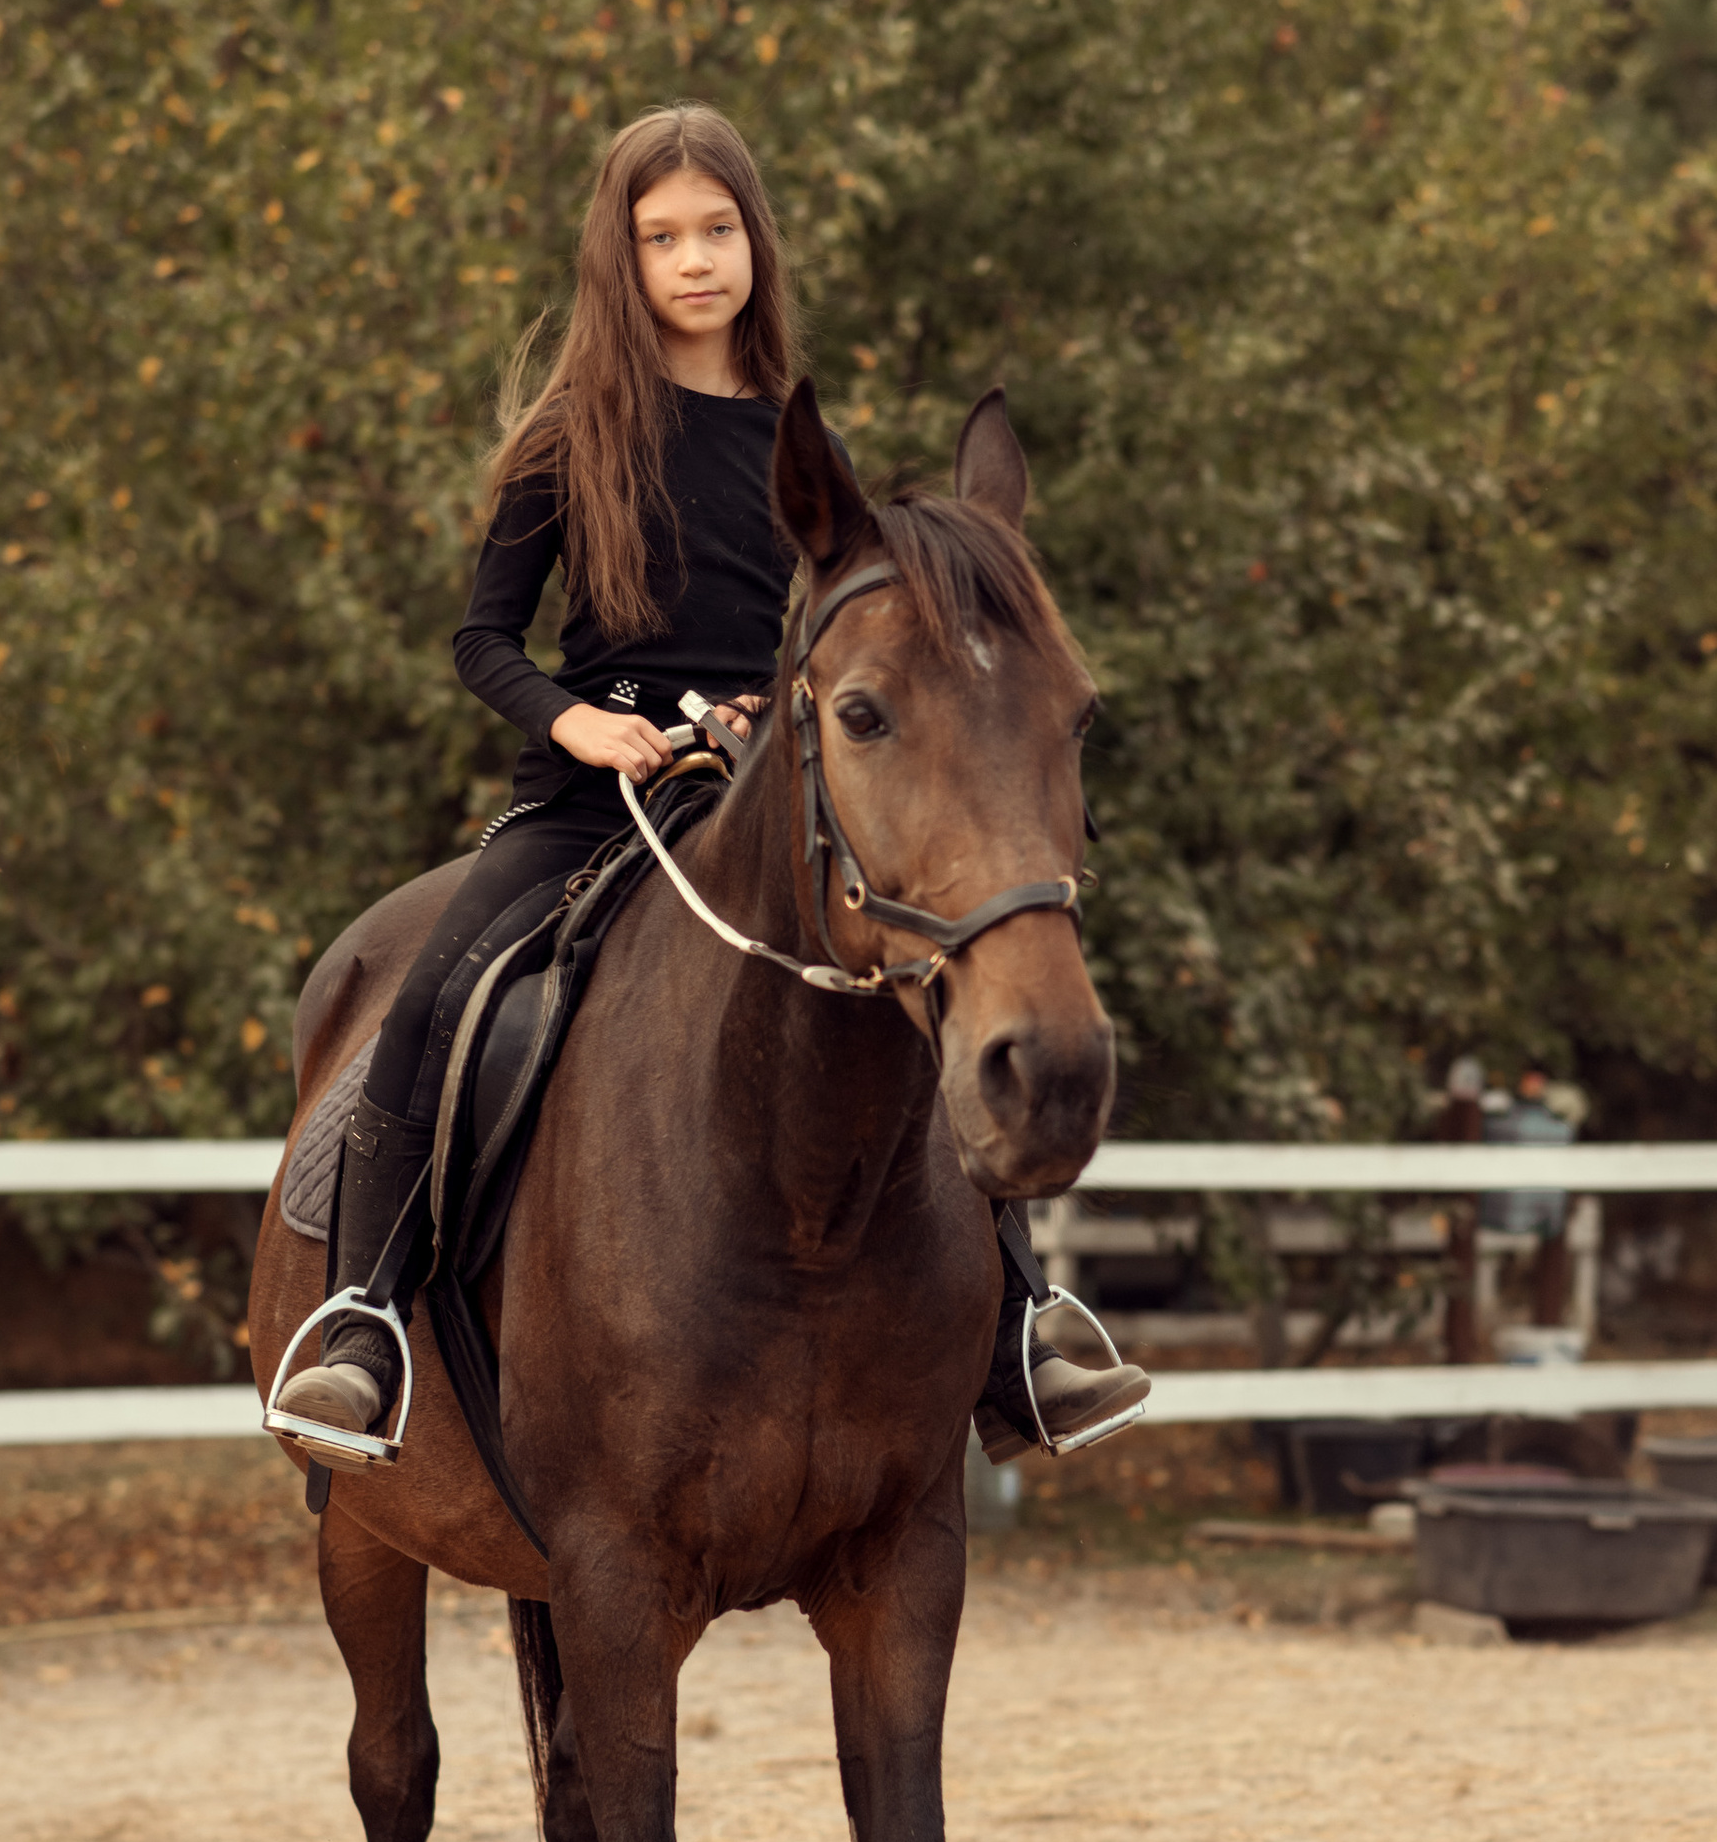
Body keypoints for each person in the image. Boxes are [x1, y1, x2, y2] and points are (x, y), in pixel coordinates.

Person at [268, 100, 1148, 1470]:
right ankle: (364, 1324)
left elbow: (841, 642)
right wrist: (581, 727)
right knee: (437, 1000)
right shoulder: (570, 438)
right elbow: (481, 640)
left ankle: (1022, 1324)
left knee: (918, 997)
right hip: (588, 799)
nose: (694, 260)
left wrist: (773, 709)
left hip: (761, 798)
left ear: (757, 244)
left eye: (718, 230)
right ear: (621, 261)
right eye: (661, 236)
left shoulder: (800, 441)